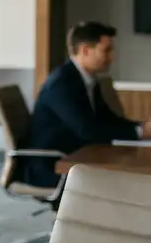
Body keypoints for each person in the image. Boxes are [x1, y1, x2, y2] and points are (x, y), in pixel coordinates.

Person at [23, 22, 150, 187]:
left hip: (78, 157)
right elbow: (87, 130)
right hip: (52, 166)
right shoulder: (62, 83)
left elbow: (107, 118)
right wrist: (139, 131)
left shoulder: (88, 80)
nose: (112, 57)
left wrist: (142, 128)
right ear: (85, 50)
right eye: (106, 50)